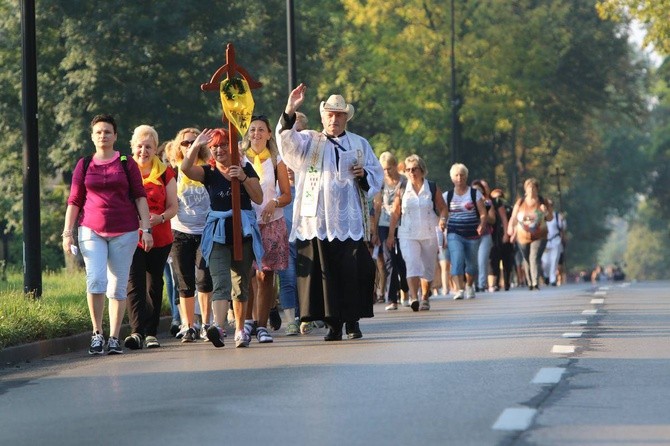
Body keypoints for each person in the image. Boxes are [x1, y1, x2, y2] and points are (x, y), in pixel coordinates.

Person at [275, 83, 383, 341]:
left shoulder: (359, 143)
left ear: (346, 117)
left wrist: (363, 175)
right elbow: (286, 142)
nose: (334, 119)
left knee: (352, 272)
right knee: (326, 276)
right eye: (330, 115)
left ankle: (353, 322)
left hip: (349, 218)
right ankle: (333, 323)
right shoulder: (310, 140)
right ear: (323, 117)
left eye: (339, 115)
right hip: (319, 219)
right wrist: (290, 108)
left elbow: (376, 175)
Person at [62, 114, 153, 355]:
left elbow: (139, 196)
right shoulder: (84, 164)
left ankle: (114, 336)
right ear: (92, 136)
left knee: (117, 287)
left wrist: (146, 229)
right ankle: (96, 333)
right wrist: (67, 233)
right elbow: (75, 200)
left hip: (125, 230)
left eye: (108, 132)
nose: (103, 136)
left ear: (115, 136)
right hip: (91, 229)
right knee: (96, 281)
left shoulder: (126, 163)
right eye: (99, 132)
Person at [180, 128, 264, 348]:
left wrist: (243, 177)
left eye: (224, 145)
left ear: (233, 147)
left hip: (242, 233)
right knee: (220, 282)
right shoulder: (209, 171)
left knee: (241, 284)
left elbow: (258, 196)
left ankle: (239, 330)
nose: (219, 150)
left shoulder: (246, 168)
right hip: (218, 233)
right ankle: (218, 326)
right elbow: (186, 168)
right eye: (215, 146)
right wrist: (195, 146)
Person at [123, 125, 177, 350]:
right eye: (139, 146)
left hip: (160, 236)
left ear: (156, 149)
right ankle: (136, 332)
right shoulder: (124, 169)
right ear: (132, 147)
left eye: (148, 146)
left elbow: (174, 207)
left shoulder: (166, 172)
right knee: (134, 283)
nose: (143, 151)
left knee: (154, 282)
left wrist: (160, 217)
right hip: (130, 236)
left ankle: (152, 333)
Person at [241, 115, 291, 344]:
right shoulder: (241, 159)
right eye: (252, 130)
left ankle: (262, 325)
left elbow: (286, 194)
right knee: (248, 272)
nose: (256, 134)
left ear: (269, 134)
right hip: (248, 221)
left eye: (261, 130)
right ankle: (248, 321)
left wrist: (274, 202)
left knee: (265, 274)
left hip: (272, 221)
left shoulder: (275, 159)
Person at [386, 154, 447, 311]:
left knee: (427, 267)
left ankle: (425, 297)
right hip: (407, 234)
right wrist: (391, 234)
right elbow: (395, 213)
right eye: (408, 170)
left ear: (422, 170)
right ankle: (414, 297)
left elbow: (443, 208)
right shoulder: (402, 189)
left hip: (429, 233)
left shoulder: (432, 187)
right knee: (412, 264)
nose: (412, 172)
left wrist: (443, 220)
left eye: (415, 169)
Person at [169, 128, 214, 342]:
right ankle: (189, 326)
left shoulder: (208, 169)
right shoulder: (174, 171)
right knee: (184, 281)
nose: (189, 145)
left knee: (204, 279)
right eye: (185, 143)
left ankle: (206, 323)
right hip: (181, 231)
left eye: (193, 142)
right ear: (179, 146)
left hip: (205, 230)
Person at [444, 163, 488, 300]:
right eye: (456, 175)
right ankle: (459, 289)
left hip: (472, 233)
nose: (459, 178)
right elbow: (443, 213)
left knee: (472, 264)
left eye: (462, 175)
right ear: (452, 178)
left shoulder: (475, 193)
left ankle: (469, 285)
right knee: (456, 259)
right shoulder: (448, 195)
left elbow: (483, 213)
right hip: (454, 232)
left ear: (466, 176)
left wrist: (482, 224)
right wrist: (441, 220)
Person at [372, 151, 409, 311]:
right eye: (384, 169)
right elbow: (377, 206)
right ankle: (392, 298)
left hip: (403, 224)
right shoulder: (380, 183)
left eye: (389, 168)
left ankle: (406, 289)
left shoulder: (405, 182)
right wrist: (374, 231)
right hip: (383, 225)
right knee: (389, 261)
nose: (387, 172)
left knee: (401, 260)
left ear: (395, 166)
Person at [507, 178, 554, 290]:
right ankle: (529, 281)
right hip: (522, 236)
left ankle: (535, 282)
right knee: (526, 259)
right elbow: (514, 217)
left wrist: (545, 211)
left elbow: (550, 218)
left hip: (540, 236)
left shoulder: (543, 201)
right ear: (525, 189)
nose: (531, 190)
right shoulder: (520, 202)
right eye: (529, 187)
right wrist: (510, 229)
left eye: (534, 187)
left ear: (537, 189)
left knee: (534, 257)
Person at [471, 179, 497, 292]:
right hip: (471, 236)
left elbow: (493, 220)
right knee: (472, 261)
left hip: (485, 235)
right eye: (474, 191)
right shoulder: (468, 203)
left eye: (479, 191)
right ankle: (473, 284)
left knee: (482, 260)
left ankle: (481, 285)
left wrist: (483, 213)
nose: (477, 193)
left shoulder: (487, 202)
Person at [489, 188, 514, 291]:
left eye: (500, 197)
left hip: (505, 236)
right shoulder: (490, 207)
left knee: (507, 261)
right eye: (495, 197)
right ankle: (496, 283)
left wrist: (508, 234)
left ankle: (507, 282)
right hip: (494, 237)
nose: (498, 199)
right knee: (494, 261)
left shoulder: (508, 209)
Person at [541, 200, 565, 286]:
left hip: (556, 240)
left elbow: (562, 229)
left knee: (554, 260)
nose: (548, 207)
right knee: (545, 261)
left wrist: (562, 220)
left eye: (550, 205)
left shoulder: (558, 216)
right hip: (546, 241)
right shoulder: (541, 216)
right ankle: (546, 275)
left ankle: (553, 279)